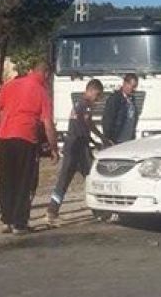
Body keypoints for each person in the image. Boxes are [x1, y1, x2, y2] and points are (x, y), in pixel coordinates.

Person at [0, 60, 58, 235]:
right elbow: (48, 123)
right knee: (25, 182)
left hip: (4, 137)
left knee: (6, 180)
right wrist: (54, 148)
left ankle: (6, 219)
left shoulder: (10, 85)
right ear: (45, 74)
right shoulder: (42, 92)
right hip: (26, 138)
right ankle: (19, 223)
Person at [46, 79, 112, 224]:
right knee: (91, 177)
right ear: (91, 91)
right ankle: (99, 211)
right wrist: (101, 138)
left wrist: (94, 141)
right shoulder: (86, 105)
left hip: (72, 146)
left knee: (64, 180)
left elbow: (83, 125)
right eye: (98, 95)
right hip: (79, 148)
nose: (98, 99)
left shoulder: (78, 104)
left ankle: (52, 211)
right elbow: (88, 123)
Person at [102, 73, 139, 144]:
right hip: (116, 141)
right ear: (125, 83)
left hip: (129, 141)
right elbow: (107, 120)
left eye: (135, 86)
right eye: (133, 86)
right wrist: (108, 139)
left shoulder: (132, 100)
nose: (134, 89)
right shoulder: (115, 99)